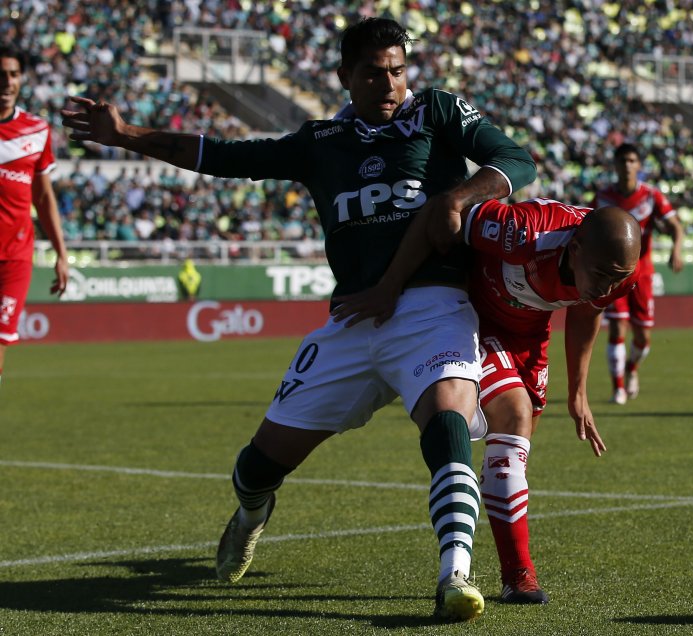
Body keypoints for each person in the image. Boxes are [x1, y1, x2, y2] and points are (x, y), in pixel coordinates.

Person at [61, 17, 537, 621]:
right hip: (354, 317)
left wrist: (459, 197)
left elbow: (516, 161)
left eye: (397, 69)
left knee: (446, 418)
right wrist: (129, 135)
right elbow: (225, 157)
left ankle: (455, 575)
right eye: (373, 72)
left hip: (431, 305)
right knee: (259, 466)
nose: (389, 83)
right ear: (344, 76)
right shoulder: (321, 142)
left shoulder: (438, 112)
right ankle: (253, 512)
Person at [332, 198, 642, 604]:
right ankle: (517, 574)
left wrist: (578, 392)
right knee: (514, 416)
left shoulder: (618, 270)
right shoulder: (524, 231)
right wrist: (399, 289)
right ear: (576, 247)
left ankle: (508, 564)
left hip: (528, 337)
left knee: (517, 444)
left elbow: (587, 312)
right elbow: (444, 217)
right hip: (469, 318)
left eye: (615, 279)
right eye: (601, 274)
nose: (606, 286)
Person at [591, 143, 683, 405]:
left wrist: (676, 250)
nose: (627, 165)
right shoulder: (603, 198)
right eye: (622, 161)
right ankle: (617, 388)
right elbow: (587, 227)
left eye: (632, 160)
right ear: (616, 165)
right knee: (617, 327)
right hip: (614, 274)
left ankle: (632, 368)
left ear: (639, 165)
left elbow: (676, 226)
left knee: (643, 337)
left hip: (642, 273)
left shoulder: (651, 196)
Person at [0, 45, 69, 388]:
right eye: (1, 75)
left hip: (14, 257)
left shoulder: (36, 131)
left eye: (13, 75)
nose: (7, 83)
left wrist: (61, 253)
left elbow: (43, 197)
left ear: (21, 79)